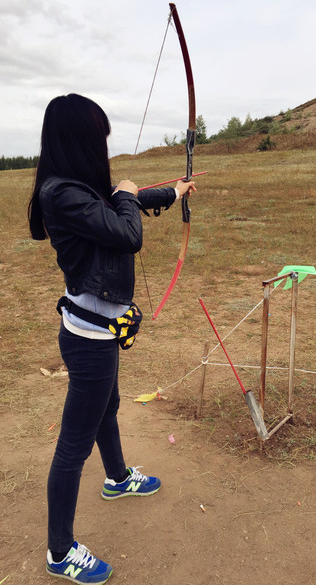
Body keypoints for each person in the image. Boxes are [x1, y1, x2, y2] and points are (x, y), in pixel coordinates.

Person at [28, 93, 196, 584]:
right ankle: (60, 552)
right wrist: (125, 192)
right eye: (98, 138)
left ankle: (118, 478)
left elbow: (125, 205)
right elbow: (126, 232)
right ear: (79, 140)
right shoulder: (61, 193)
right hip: (89, 338)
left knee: (108, 406)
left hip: (97, 332)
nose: (104, 147)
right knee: (73, 445)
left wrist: (173, 193)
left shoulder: (79, 189)